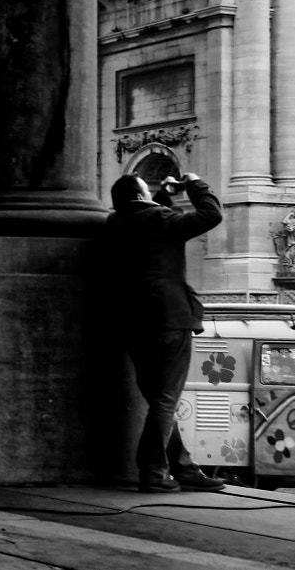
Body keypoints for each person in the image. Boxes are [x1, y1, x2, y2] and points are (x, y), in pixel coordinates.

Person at [106, 171, 227, 493]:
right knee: (165, 401)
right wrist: (197, 184)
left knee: (159, 399)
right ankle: (153, 472)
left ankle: (183, 468)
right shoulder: (158, 220)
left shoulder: (116, 224)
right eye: (148, 190)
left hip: (133, 322)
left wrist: (163, 195)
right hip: (169, 319)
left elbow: (147, 216)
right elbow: (211, 215)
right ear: (139, 197)